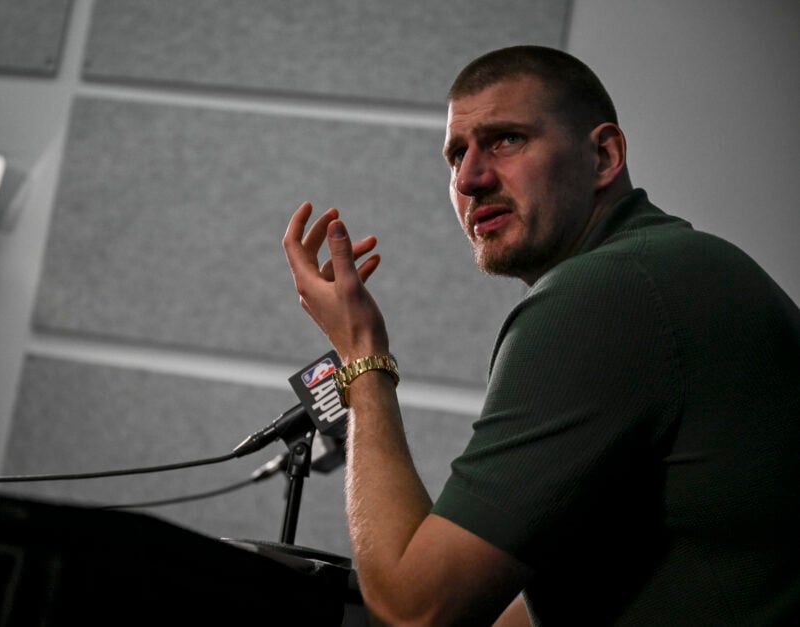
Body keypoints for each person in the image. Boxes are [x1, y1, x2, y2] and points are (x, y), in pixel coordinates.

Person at [282, 45, 800, 626]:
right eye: (456, 154)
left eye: (506, 140)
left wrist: (362, 356)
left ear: (603, 155)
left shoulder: (607, 292)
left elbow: (416, 610)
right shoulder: (674, 268)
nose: (470, 178)